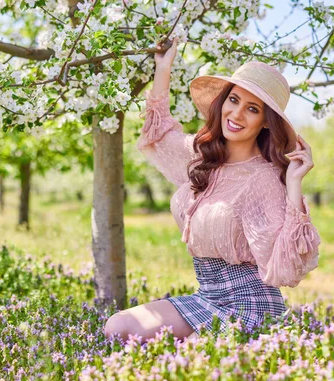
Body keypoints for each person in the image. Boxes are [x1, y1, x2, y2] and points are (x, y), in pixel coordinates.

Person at [104, 37, 321, 343]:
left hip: (251, 305)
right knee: (117, 327)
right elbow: (159, 135)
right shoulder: (202, 154)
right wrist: (163, 67)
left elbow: (285, 267)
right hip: (206, 297)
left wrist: (294, 183)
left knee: (185, 364)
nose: (237, 115)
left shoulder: (263, 179)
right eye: (233, 100)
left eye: (252, 108)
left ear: (266, 122)